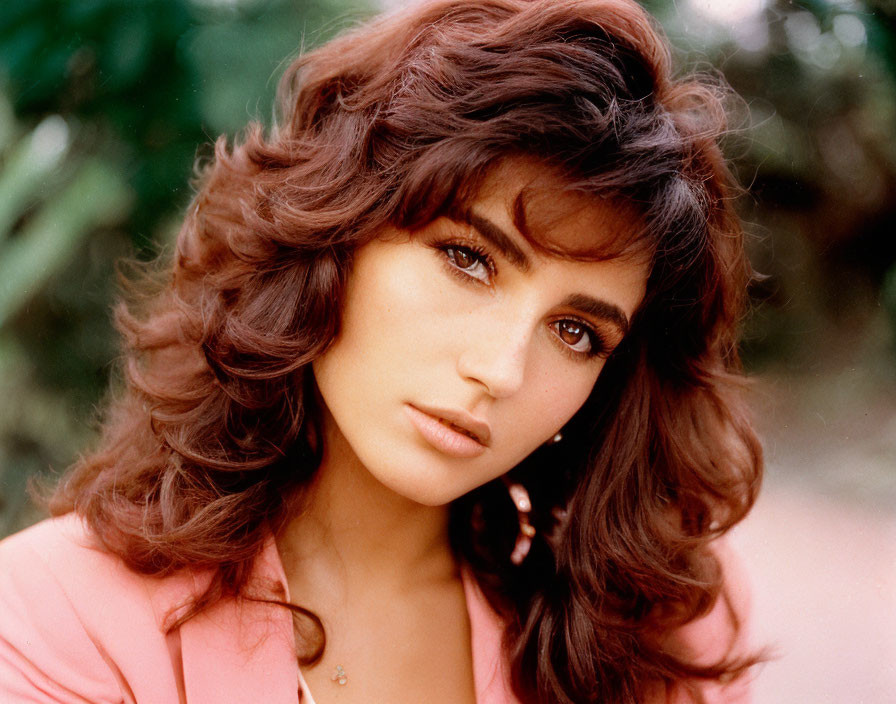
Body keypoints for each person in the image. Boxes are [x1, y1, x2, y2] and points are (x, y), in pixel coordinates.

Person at [0, 0, 763, 702]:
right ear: (335, 236)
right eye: (469, 259)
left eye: (576, 333)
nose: (499, 372)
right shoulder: (58, 615)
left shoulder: (662, 628)